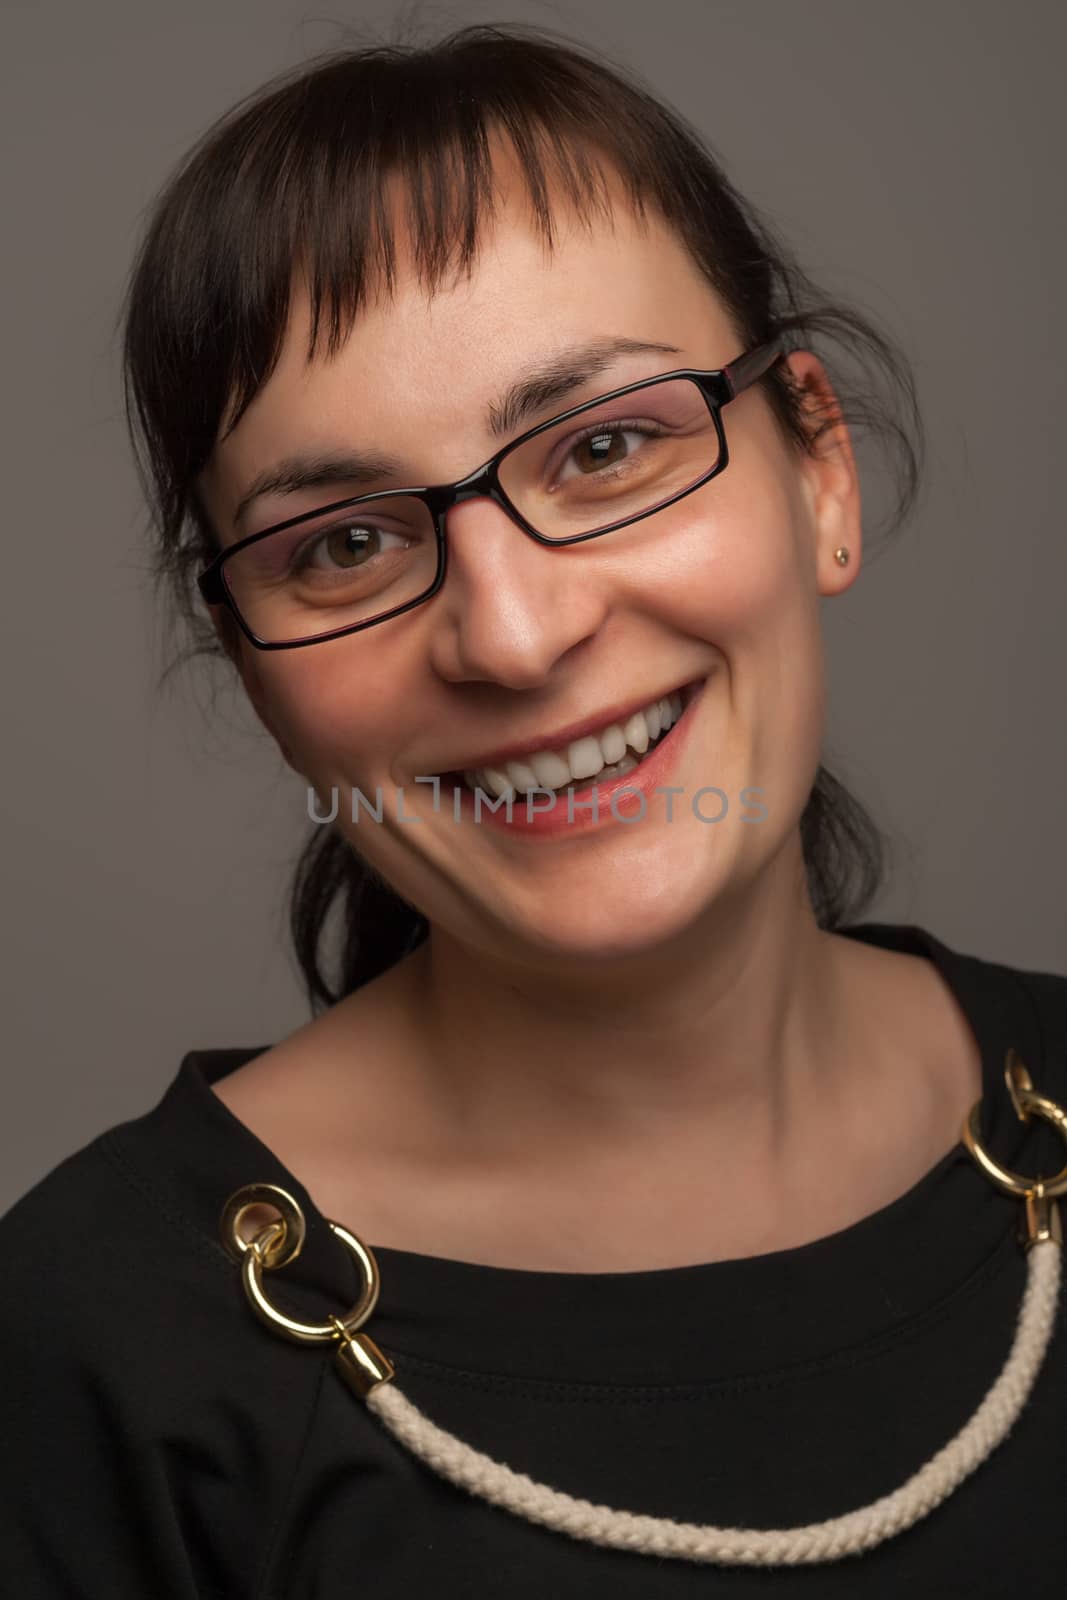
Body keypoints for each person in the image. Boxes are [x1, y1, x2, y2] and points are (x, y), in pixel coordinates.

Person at [2, 19, 1065, 1596]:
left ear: (818, 471)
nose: (512, 634)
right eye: (344, 545)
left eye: (609, 446)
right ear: (252, 671)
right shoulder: (89, 1344)